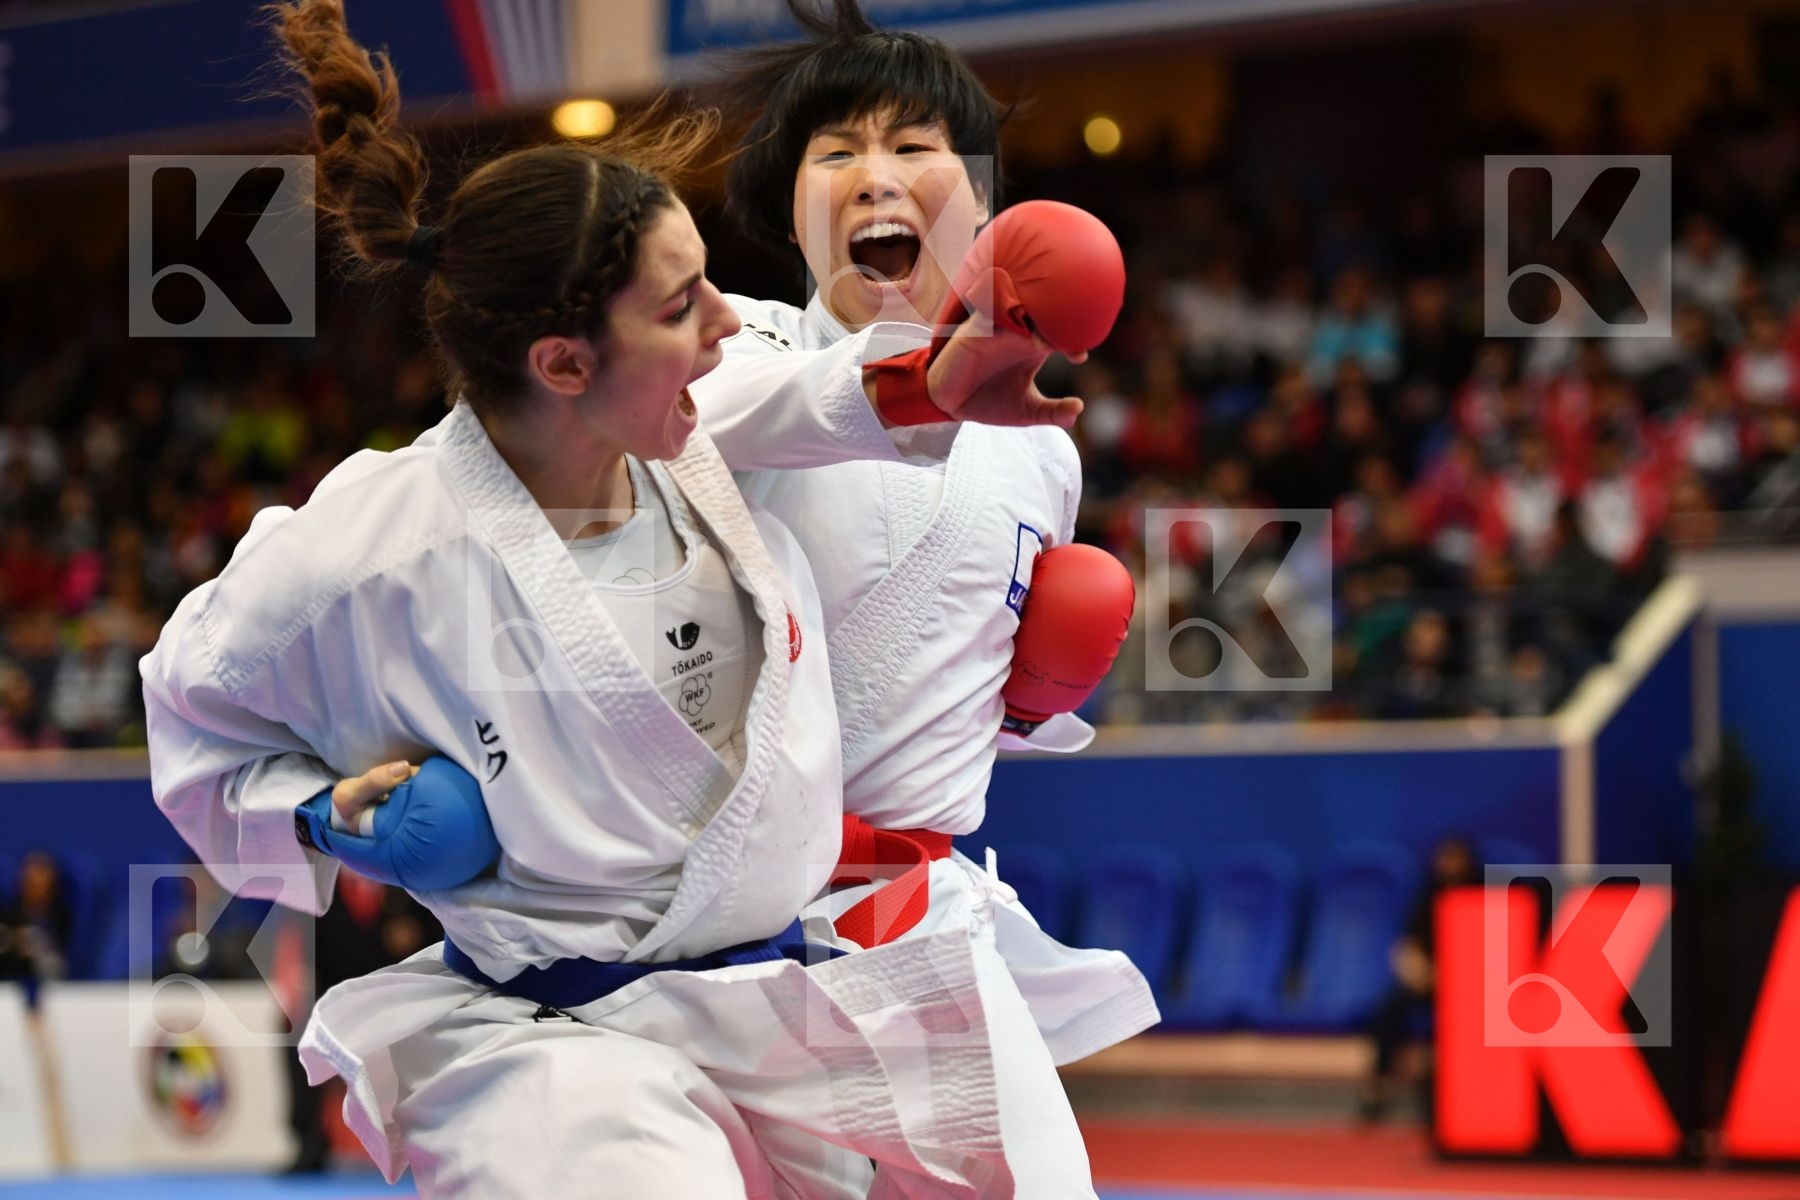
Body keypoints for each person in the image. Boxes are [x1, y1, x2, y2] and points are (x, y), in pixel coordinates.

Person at [141, 2, 1084, 1196]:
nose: (725, 322)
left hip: (784, 996)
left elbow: (796, 406)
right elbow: (188, 713)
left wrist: (1025, 677)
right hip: (555, 1041)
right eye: (684, 302)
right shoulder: (370, 550)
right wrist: (315, 815)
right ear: (565, 364)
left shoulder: (687, 444)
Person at [690, 2, 1155, 1190]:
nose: (873, 176)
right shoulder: (734, 345)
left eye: (913, 149)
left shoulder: (1046, 458)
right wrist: (934, 379)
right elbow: (742, 418)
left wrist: (1035, 703)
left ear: (983, 206)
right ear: (789, 208)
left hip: (914, 921)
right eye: (834, 153)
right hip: (715, 933)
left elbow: (949, 696)